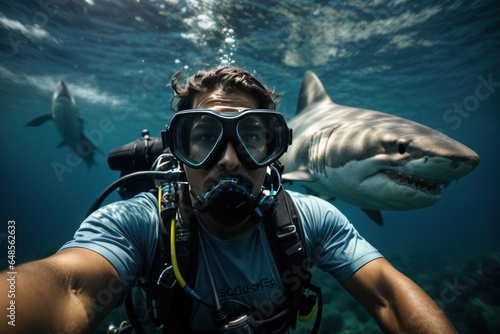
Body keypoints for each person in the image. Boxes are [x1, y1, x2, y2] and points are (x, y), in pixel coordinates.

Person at [0, 66, 457, 333]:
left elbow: (389, 294)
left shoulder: (309, 217)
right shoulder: (140, 224)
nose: (231, 159)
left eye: (254, 138)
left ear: (275, 151)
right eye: (203, 138)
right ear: (177, 152)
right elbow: (69, 288)